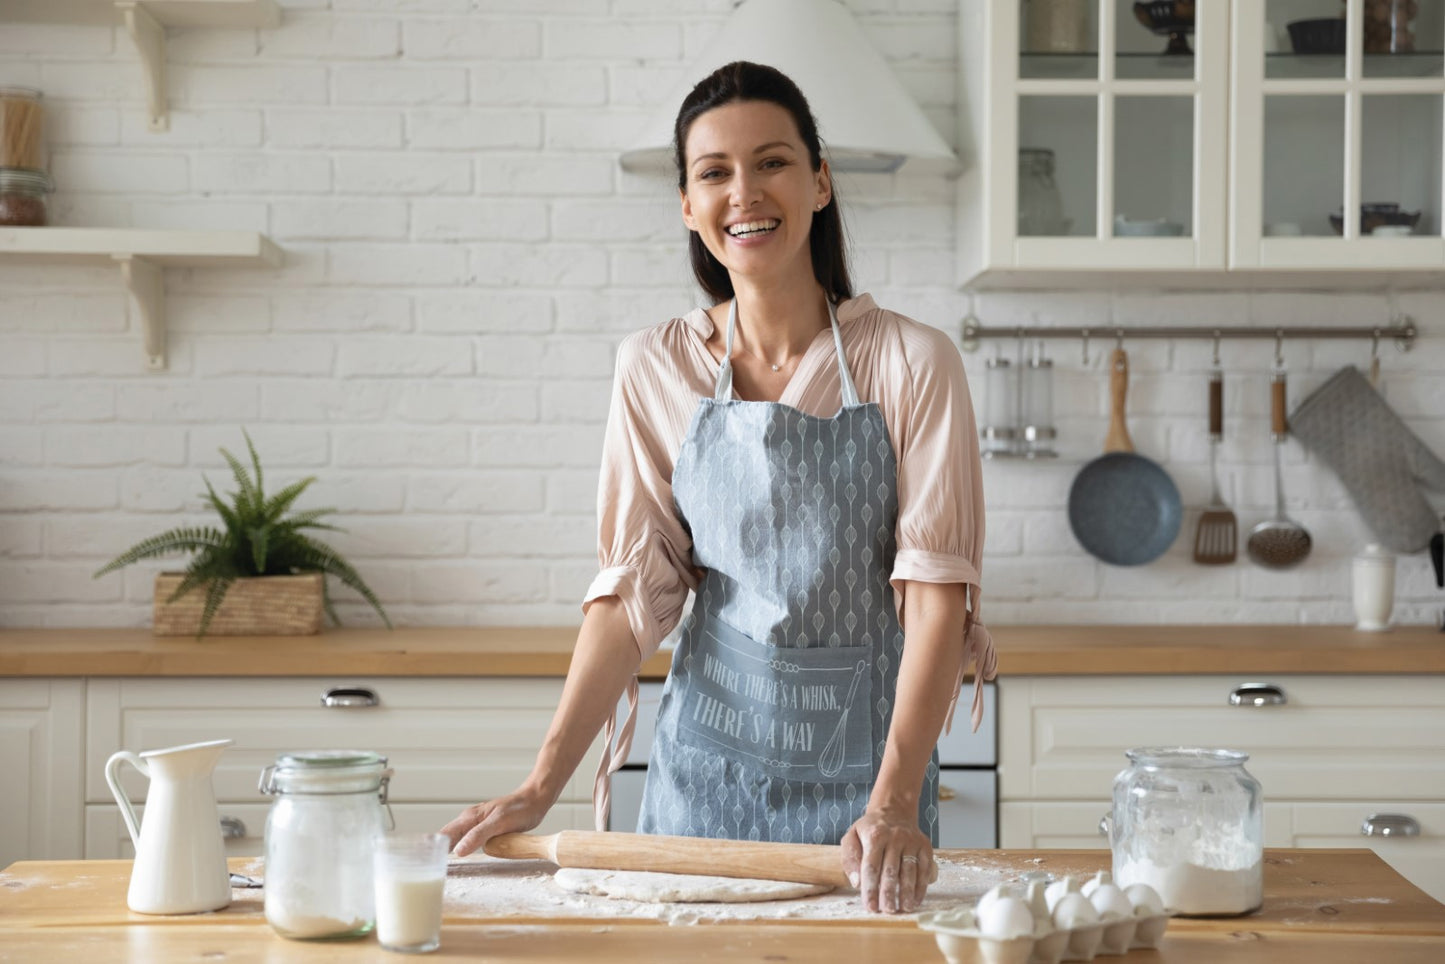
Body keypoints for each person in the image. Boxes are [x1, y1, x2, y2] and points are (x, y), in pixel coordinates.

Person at [443, 61, 995, 916]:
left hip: (865, 810)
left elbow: (934, 601)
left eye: (772, 162)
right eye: (714, 173)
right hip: (700, 796)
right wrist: (540, 781)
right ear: (688, 205)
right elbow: (632, 595)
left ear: (818, 182)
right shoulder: (656, 367)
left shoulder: (910, 362)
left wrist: (890, 801)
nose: (745, 191)